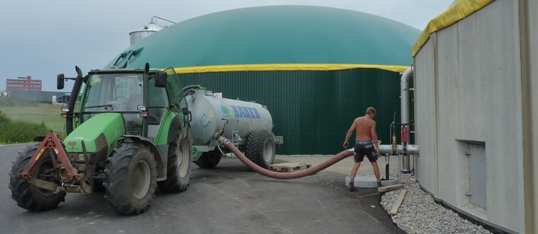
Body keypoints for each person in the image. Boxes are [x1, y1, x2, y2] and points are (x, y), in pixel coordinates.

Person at [343, 107, 381, 191]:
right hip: (368, 144)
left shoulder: (357, 120)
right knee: (374, 163)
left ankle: (351, 183)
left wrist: (346, 141)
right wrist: (377, 148)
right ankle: (379, 183)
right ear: (372, 114)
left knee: (357, 163)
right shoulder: (372, 122)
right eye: (373, 115)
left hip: (358, 144)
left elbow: (350, 131)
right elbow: (373, 135)